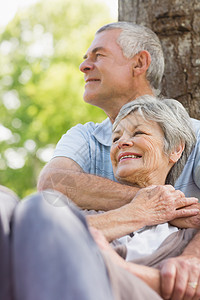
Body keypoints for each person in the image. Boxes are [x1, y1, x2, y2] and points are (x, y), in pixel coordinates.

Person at [37, 22, 200, 299]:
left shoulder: (195, 134)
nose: (84, 66)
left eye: (98, 56)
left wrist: (193, 259)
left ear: (139, 63)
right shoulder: (84, 137)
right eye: (116, 138)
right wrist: (156, 205)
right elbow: (53, 184)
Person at [10, 97, 199, 299]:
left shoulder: (189, 233)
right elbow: (35, 239)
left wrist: (116, 267)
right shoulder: (83, 216)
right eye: (115, 138)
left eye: (139, 133)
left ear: (175, 149)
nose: (121, 143)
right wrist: (136, 212)